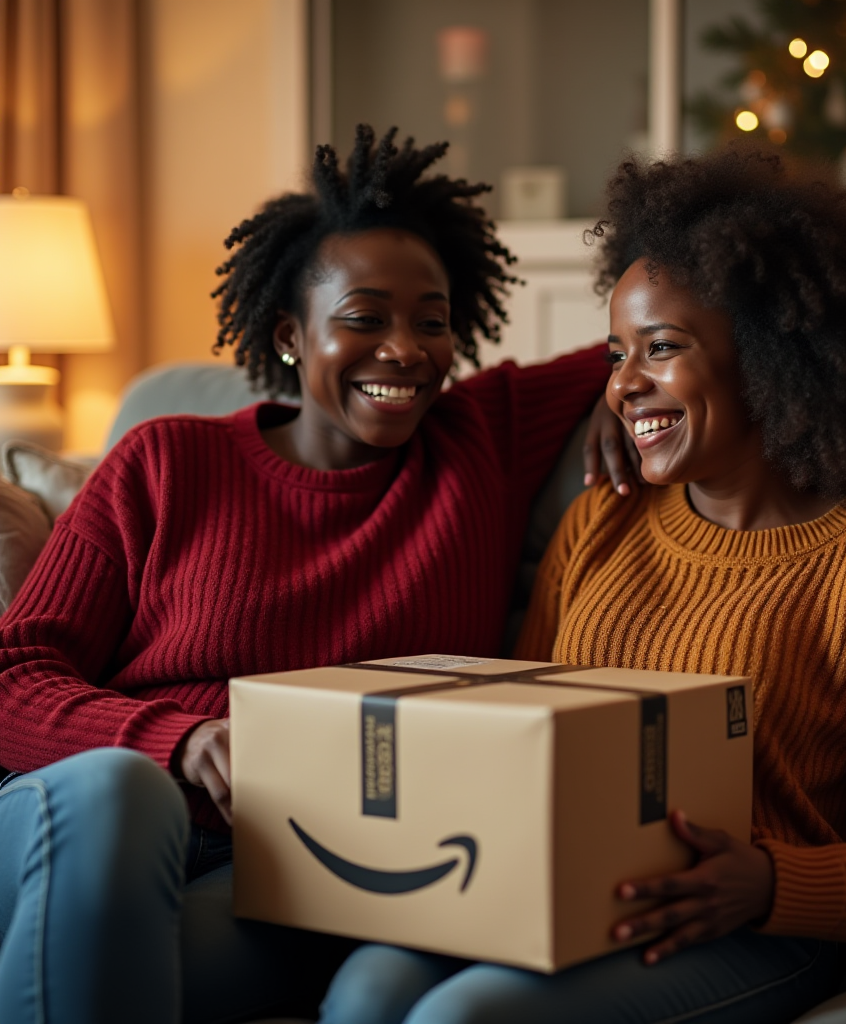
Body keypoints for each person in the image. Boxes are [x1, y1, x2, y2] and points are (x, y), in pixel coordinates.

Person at [317, 147, 846, 1024]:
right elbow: (519, 732)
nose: (624, 382)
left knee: (467, 1017)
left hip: (748, 927)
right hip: (557, 891)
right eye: (617, 352)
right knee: (367, 988)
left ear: (769, 360)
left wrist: (769, 882)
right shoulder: (601, 521)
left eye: (662, 348)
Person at [0, 125, 633, 1024]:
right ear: (291, 336)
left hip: (288, 871)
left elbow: (666, 328)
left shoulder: (478, 442)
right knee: (123, 787)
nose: (406, 350)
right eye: (365, 318)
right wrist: (175, 739)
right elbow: (12, 676)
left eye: (432, 321)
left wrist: (628, 391)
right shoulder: (163, 461)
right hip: (92, 826)